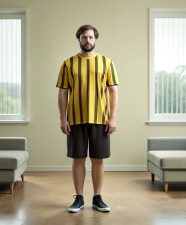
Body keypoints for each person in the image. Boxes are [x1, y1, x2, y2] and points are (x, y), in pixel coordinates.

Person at [56, 25, 119, 213]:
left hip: (101, 119)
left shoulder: (107, 62)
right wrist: (62, 118)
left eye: (91, 37)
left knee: (98, 159)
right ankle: (79, 198)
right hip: (75, 119)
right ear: (78, 39)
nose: (88, 41)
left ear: (96, 39)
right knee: (78, 159)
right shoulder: (68, 64)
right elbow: (62, 92)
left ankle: (98, 198)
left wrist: (112, 118)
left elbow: (113, 90)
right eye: (84, 37)